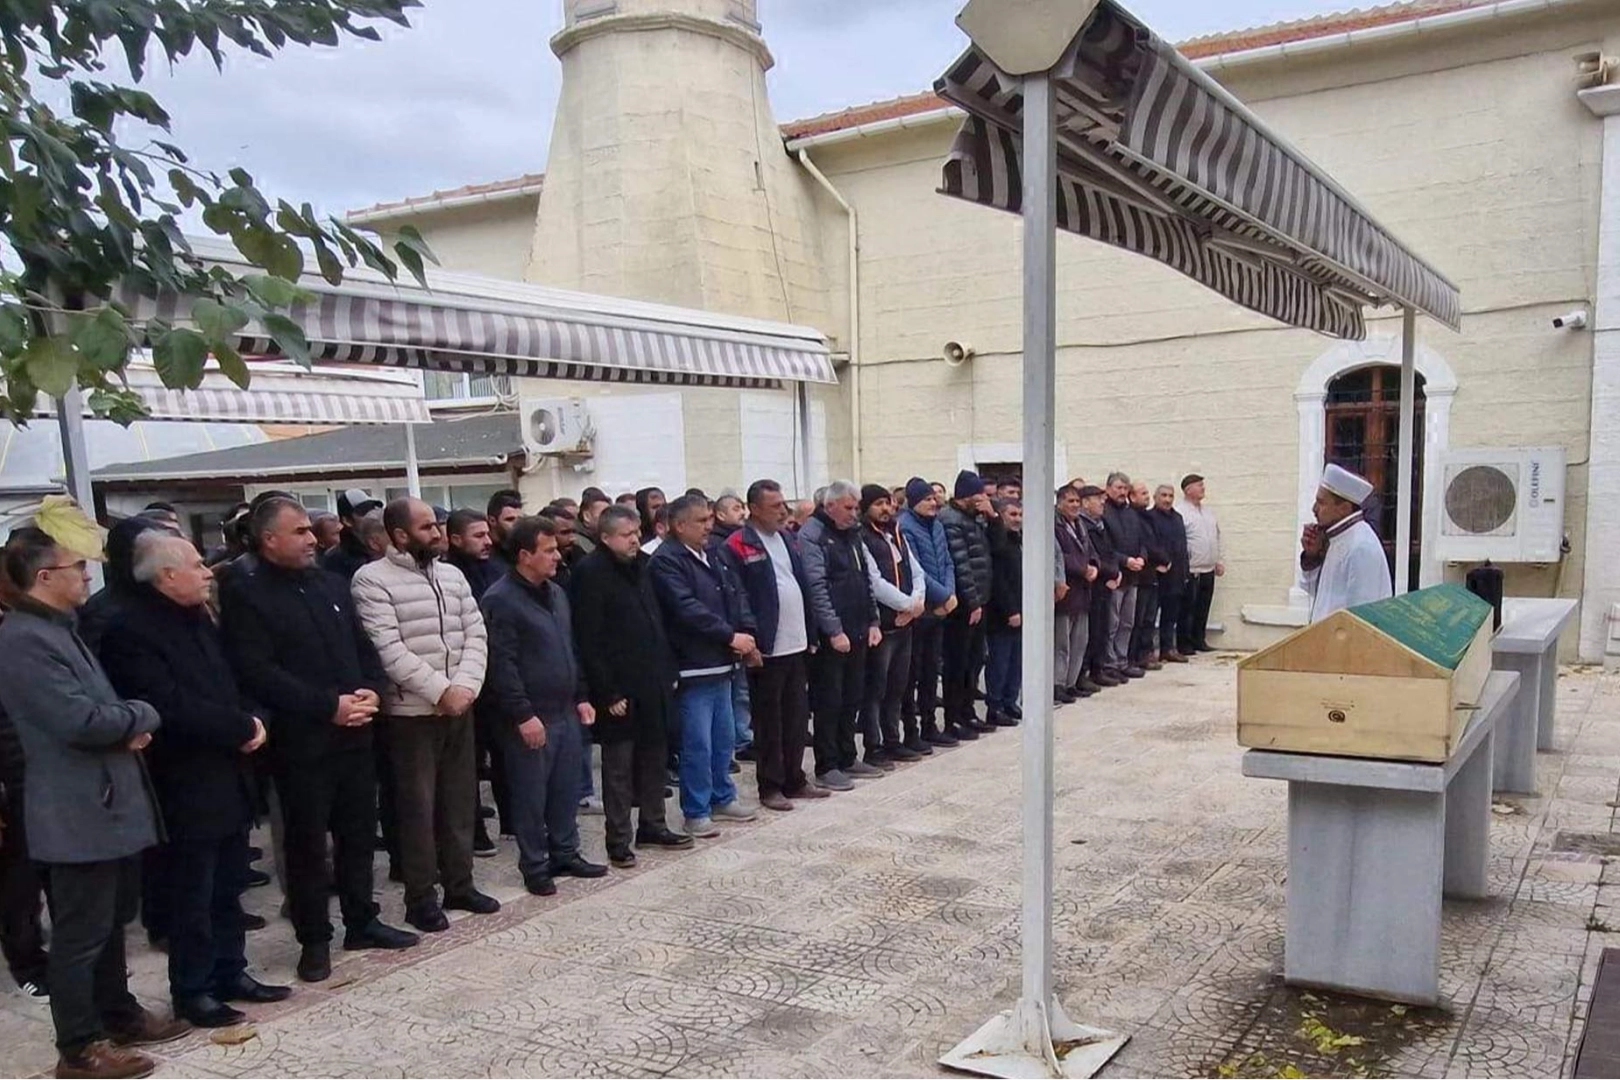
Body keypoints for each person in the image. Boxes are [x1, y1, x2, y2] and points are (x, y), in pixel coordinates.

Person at [0, 524, 191, 1079]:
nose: (88, 576)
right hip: (74, 809)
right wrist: (141, 714)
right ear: (44, 577)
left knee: (110, 924)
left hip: (106, 802)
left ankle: (118, 1014)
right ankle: (79, 1048)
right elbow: (80, 720)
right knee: (80, 935)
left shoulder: (60, 627)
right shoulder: (23, 640)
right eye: (77, 568)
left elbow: (100, 711)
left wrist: (123, 720)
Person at [219, 497, 418, 985]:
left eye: (311, 530)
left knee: (358, 834)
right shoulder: (247, 593)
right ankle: (314, 939)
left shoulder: (329, 583)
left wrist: (371, 688)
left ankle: (361, 920)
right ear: (268, 539)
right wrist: (328, 706)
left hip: (356, 733)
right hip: (301, 742)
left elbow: (362, 645)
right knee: (308, 846)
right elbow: (258, 671)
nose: (311, 539)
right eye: (300, 532)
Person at [98, 532, 291, 1029]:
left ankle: (231, 971)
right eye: (197, 565)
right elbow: (167, 704)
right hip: (184, 780)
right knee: (192, 893)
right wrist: (240, 728)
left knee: (229, 885)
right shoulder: (130, 629)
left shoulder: (198, 616)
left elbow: (231, 679)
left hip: (230, 770)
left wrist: (255, 719)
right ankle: (193, 989)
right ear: (167, 575)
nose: (208, 573)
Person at [351, 498, 499, 934]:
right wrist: (440, 690)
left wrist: (465, 687)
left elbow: (475, 633)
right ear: (399, 535)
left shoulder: (451, 575)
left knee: (459, 801)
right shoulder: (372, 580)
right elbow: (388, 648)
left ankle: (460, 885)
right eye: (426, 527)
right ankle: (421, 898)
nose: (437, 533)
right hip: (411, 714)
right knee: (417, 810)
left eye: (437, 525)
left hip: (460, 705)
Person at [481, 516, 608, 894]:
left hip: (565, 709)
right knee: (530, 795)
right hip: (532, 716)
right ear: (524, 555)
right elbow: (501, 664)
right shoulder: (501, 599)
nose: (557, 556)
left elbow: (570, 648)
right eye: (548, 550)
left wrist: (582, 695)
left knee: (565, 789)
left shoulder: (555, 593)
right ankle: (535, 864)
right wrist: (523, 714)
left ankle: (565, 851)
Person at [569, 506, 694, 864]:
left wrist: (668, 671)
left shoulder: (643, 565)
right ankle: (618, 839)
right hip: (618, 689)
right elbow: (589, 638)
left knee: (655, 758)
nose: (635, 540)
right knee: (619, 769)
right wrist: (607, 692)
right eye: (626, 535)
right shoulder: (590, 573)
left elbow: (657, 621)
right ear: (605, 537)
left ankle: (653, 825)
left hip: (653, 680)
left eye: (637, 533)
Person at [649, 495, 759, 838]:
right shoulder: (666, 561)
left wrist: (747, 633)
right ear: (679, 525)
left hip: (722, 661)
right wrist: (729, 635)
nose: (709, 526)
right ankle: (696, 810)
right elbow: (686, 609)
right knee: (698, 744)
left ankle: (722, 796)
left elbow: (735, 594)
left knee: (723, 739)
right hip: (692, 664)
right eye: (701, 520)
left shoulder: (712, 553)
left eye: (710, 518)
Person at [722, 480, 827, 810]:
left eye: (784, 504)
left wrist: (811, 634)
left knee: (796, 717)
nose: (783, 511)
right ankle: (771, 785)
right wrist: (750, 641)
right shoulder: (738, 544)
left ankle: (795, 778)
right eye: (775, 506)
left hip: (796, 642)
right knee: (769, 721)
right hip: (767, 647)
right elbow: (738, 597)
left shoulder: (786, 538)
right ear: (754, 509)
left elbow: (801, 585)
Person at [798, 481, 883, 791]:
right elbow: (816, 587)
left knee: (852, 696)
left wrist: (873, 619)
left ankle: (848, 756)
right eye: (848, 508)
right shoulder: (813, 535)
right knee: (829, 700)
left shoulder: (853, 534)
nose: (854, 513)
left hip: (859, 627)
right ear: (829, 505)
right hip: (832, 635)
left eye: (856, 507)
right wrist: (833, 630)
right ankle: (827, 764)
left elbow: (865, 579)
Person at [445, 509, 507, 854]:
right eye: (478, 536)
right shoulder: (451, 576)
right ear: (456, 539)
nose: (487, 541)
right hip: (466, 681)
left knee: (504, 755)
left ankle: (512, 819)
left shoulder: (496, 569)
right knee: (468, 764)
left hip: (497, 676)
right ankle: (474, 831)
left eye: (487, 534)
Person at [856, 484, 927, 767]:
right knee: (876, 690)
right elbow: (875, 582)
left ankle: (893, 740)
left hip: (905, 622)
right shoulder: (862, 537)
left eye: (888, 503)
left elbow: (916, 570)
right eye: (878, 504)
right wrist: (907, 605)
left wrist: (916, 602)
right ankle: (873, 746)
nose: (886, 509)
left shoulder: (896, 533)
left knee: (898, 687)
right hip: (883, 624)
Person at [898, 478, 955, 752]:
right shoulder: (905, 528)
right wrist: (943, 596)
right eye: (927, 499)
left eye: (934, 498)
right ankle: (911, 730)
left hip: (940, 609)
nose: (933, 503)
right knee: (913, 674)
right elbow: (916, 569)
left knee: (932, 671)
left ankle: (930, 725)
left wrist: (950, 594)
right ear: (913, 502)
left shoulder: (938, 526)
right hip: (920, 610)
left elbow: (947, 562)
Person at [938, 471, 996, 740]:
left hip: (980, 600)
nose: (984, 498)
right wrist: (972, 602)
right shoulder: (951, 520)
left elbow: (997, 547)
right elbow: (961, 565)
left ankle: (968, 711)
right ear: (966, 496)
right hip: (963, 607)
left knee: (974, 661)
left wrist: (993, 517)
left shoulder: (976, 519)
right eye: (979, 494)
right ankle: (954, 718)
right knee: (957, 664)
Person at [1301, 464, 1393, 621]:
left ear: (1344, 508)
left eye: (1321, 503)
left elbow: (1360, 619)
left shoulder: (1361, 546)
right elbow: (1320, 595)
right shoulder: (1338, 538)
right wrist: (1312, 556)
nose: (1314, 509)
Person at [1054, 485, 1099, 702]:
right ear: (1060, 502)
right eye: (1070, 501)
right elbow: (1059, 556)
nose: (1074, 505)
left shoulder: (1080, 524)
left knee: (1079, 641)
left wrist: (1094, 566)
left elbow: (1090, 551)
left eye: (1077, 502)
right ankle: (1058, 683)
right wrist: (1083, 569)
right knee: (1062, 643)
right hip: (1066, 591)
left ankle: (1071, 683)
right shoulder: (1054, 525)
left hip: (1083, 591)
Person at [1101, 472, 1148, 681]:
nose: (1122, 492)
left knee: (1127, 622)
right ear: (1108, 489)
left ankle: (1122, 660)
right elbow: (1105, 548)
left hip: (1133, 576)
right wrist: (1125, 560)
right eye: (1118, 488)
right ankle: (1109, 663)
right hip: (1116, 575)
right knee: (1112, 623)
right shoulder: (1105, 513)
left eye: (1125, 488)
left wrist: (1142, 557)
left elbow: (1142, 540)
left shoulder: (1131, 514)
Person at [1077, 485, 1122, 690]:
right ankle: (1083, 672)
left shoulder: (1101, 525)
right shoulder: (1083, 526)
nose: (1103, 502)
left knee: (1103, 628)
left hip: (1106, 583)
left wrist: (1116, 572)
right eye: (1098, 499)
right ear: (1086, 503)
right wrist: (1110, 572)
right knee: (1091, 630)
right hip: (1093, 584)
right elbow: (1092, 557)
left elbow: (1110, 551)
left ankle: (1098, 668)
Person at [984, 498, 1023, 725]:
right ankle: (995, 705)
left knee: (1016, 661)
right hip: (1002, 614)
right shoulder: (997, 541)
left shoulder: (1018, 540)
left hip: (1021, 607)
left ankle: (1010, 701)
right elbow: (999, 580)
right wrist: (1010, 610)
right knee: (1000, 661)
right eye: (1012, 514)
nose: (1017, 519)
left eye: (1020, 514)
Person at [1176, 474, 1223, 653]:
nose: (1203, 488)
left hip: (1208, 568)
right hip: (1191, 568)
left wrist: (1218, 560)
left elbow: (1216, 536)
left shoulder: (1208, 512)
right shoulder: (1180, 512)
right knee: (1188, 608)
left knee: (1203, 607)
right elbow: (1178, 541)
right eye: (1199, 485)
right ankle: (1184, 643)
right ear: (1188, 490)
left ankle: (1199, 639)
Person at [1128, 481, 1168, 672]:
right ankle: (1135, 656)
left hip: (1152, 574)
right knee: (1139, 619)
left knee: (1150, 618)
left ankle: (1146, 653)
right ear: (1132, 496)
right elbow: (1145, 544)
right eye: (1142, 493)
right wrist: (1162, 558)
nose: (1147, 496)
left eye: (1147, 493)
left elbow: (1157, 541)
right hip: (1141, 575)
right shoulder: (1133, 516)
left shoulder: (1148, 516)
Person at [1149, 485, 1191, 664]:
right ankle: (1148, 651)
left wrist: (1185, 571)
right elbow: (1150, 544)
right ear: (1155, 497)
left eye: (1170, 496)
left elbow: (1182, 546)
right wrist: (1160, 561)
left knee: (1171, 615)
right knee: (1150, 616)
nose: (1167, 499)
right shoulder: (1149, 517)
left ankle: (1167, 649)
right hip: (1157, 574)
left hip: (1176, 575)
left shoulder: (1177, 518)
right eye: (1163, 495)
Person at [322, 489, 385, 581]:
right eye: (364, 511)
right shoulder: (334, 559)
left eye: (373, 509)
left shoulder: (385, 546)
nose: (371, 515)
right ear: (347, 521)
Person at [487, 490, 526, 574]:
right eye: (510, 519)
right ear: (492, 520)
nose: (516, 524)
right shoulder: (484, 553)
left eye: (520, 520)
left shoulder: (519, 549)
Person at [576, 491, 612, 556]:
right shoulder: (578, 544)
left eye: (610, 515)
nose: (609, 519)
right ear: (587, 516)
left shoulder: (598, 537)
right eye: (604, 514)